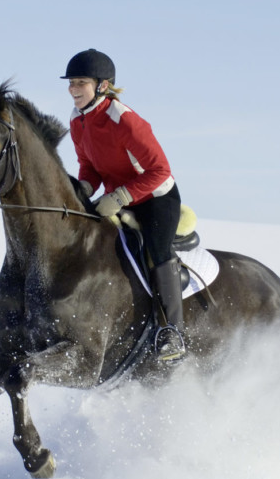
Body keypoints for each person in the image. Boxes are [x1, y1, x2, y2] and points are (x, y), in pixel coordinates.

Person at [61, 48, 186, 362]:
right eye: (71, 83)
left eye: (80, 83)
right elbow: (89, 167)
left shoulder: (126, 121)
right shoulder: (78, 120)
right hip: (118, 199)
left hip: (156, 198)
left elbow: (160, 171)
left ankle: (173, 331)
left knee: (157, 251)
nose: (72, 89)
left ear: (102, 86)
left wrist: (117, 198)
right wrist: (81, 190)